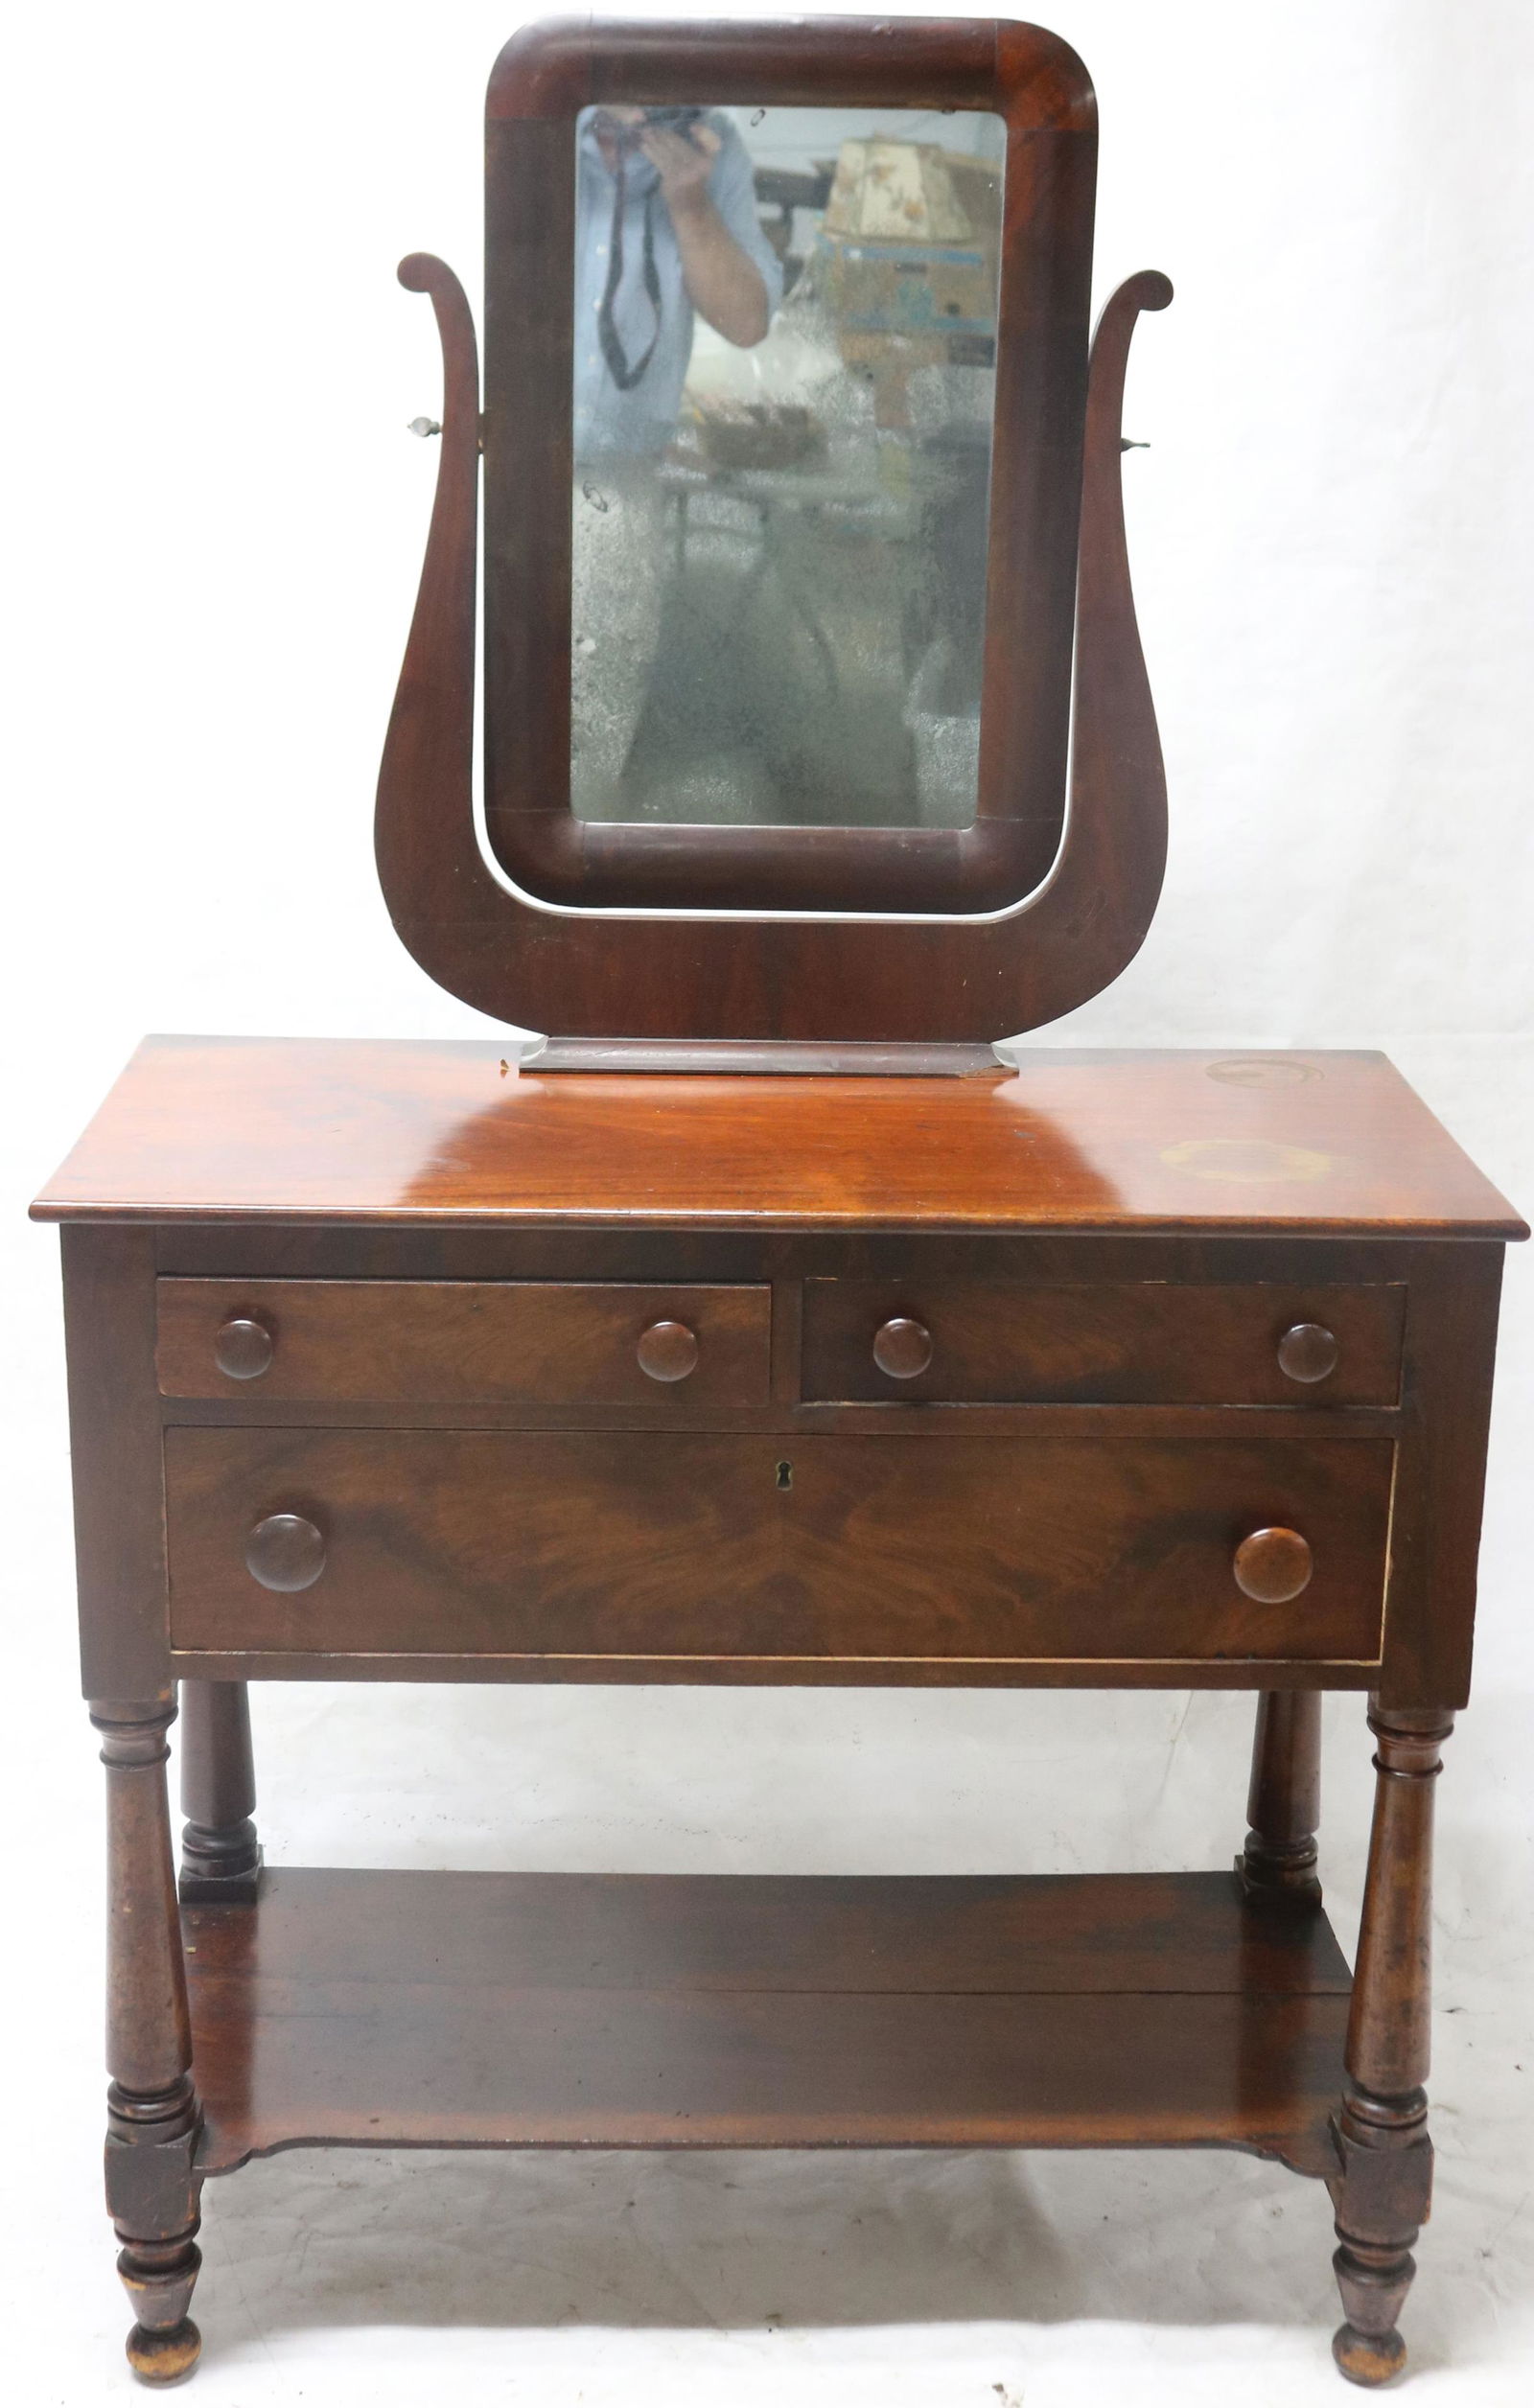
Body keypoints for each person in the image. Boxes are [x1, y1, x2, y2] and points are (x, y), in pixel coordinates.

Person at [571, 109, 782, 811]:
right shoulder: (537, 115)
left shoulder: (715, 143)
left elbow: (746, 319)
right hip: (494, 463)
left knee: (595, 714)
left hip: (623, 482)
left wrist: (689, 203)